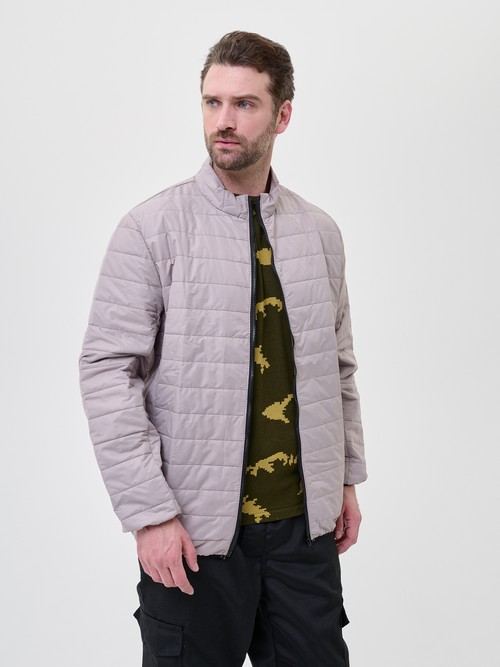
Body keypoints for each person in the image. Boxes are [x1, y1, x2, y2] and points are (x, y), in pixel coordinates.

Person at [79, 30, 367, 667]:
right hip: (195, 538)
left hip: (302, 535)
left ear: (282, 115)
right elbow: (107, 372)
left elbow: (337, 368)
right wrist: (150, 514)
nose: (223, 121)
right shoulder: (151, 229)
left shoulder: (319, 232)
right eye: (213, 102)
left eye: (244, 104)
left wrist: (343, 479)